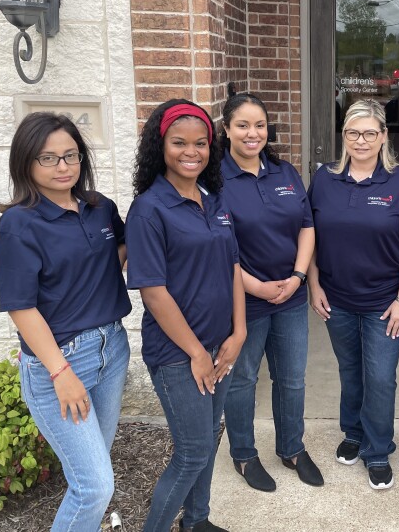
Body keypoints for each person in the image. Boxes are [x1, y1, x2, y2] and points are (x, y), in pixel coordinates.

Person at [0, 112, 131, 531]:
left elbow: (121, 252)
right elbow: (22, 307)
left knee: (93, 473)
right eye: (48, 158)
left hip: (112, 349)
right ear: (26, 164)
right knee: (93, 487)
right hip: (62, 360)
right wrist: (60, 371)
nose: (63, 166)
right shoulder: (19, 224)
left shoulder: (98, 207)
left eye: (70, 155)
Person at [126, 99, 246, 532]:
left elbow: (233, 266)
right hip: (179, 354)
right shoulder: (149, 209)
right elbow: (153, 292)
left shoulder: (214, 201)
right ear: (161, 146)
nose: (190, 151)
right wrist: (196, 352)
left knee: (208, 442)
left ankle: (197, 522)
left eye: (200, 143)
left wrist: (240, 331)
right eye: (179, 143)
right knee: (193, 450)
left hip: (220, 344)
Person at [308, 99, 399, 491]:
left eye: (370, 133)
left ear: (383, 136)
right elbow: (307, 234)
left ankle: (377, 450)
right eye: (353, 133)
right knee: (350, 371)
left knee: (380, 378)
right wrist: (313, 283)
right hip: (336, 299)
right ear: (343, 136)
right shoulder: (325, 178)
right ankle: (354, 432)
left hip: (384, 303)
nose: (361, 140)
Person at [218, 92, 323, 492]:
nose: (252, 133)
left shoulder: (285, 172)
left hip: (290, 297)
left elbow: (307, 227)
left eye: (259, 125)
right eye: (243, 125)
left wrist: (298, 277)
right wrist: (255, 285)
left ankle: (291, 448)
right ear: (226, 129)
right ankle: (244, 455)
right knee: (242, 379)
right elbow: (215, 246)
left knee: (292, 378)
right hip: (244, 300)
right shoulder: (214, 179)